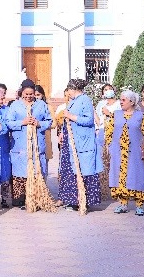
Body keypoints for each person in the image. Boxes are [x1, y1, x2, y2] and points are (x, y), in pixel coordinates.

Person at [5, 79, 52, 208]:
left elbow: (49, 121)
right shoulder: (15, 105)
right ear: (21, 93)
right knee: (21, 172)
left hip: (36, 144)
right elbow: (8, 122)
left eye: (31, 94)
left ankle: (37, 199)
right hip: (20, 145)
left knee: (37, 170)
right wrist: (22, 122)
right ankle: (20, 200)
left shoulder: (41, 105)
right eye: (26, 94)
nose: (29, 96)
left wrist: (39, 123)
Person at [106, 89, 144, 216]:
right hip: (118, 152)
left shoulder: (140, 116)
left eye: (123, 100)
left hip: (135, 153)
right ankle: (123, 204)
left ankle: (139, 205)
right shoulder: (115, 115)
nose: (120, 102)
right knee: (119, 176)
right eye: (120, 99)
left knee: (136, 175)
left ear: (131, 102)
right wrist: (110, 146)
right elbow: (109, 132)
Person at [57, 79, 102, 211]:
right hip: (71, 140)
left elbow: (88, 120)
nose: (68, 93)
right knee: (72, 170)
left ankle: (84, 200)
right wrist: (62, 133)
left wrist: (71, 116)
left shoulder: (85, 100)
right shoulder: (73, 101)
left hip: (82, 142)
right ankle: (73, 200)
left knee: (83, 170)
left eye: (68, 90)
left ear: (73, 89)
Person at [0, 84, 13, 207]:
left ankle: (5, 199)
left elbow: (6, 127)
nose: (3, 98)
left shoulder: (6, 110)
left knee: (5, 171)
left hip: (4, 145)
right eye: (0, 96)